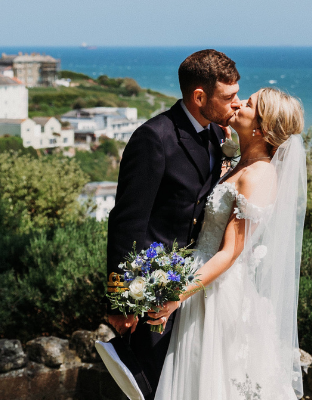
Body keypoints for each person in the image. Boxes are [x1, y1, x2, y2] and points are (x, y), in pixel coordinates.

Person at [148, 87, 308, 399]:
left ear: (261, 127)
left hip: (216, 290)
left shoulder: (259, 176)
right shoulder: (239, 163)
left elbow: (230, 253)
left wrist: (176, 296)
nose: (238, 102)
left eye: (249, 104)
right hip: (201, 276)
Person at [104, 49, 241, 398]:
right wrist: (121, 302)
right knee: (149, 386)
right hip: (152, 290)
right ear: (199, 97)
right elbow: (126, 222)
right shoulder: (154, 138)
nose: (236, 104)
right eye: (228, 96)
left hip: (192, 288)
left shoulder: (216, 135)